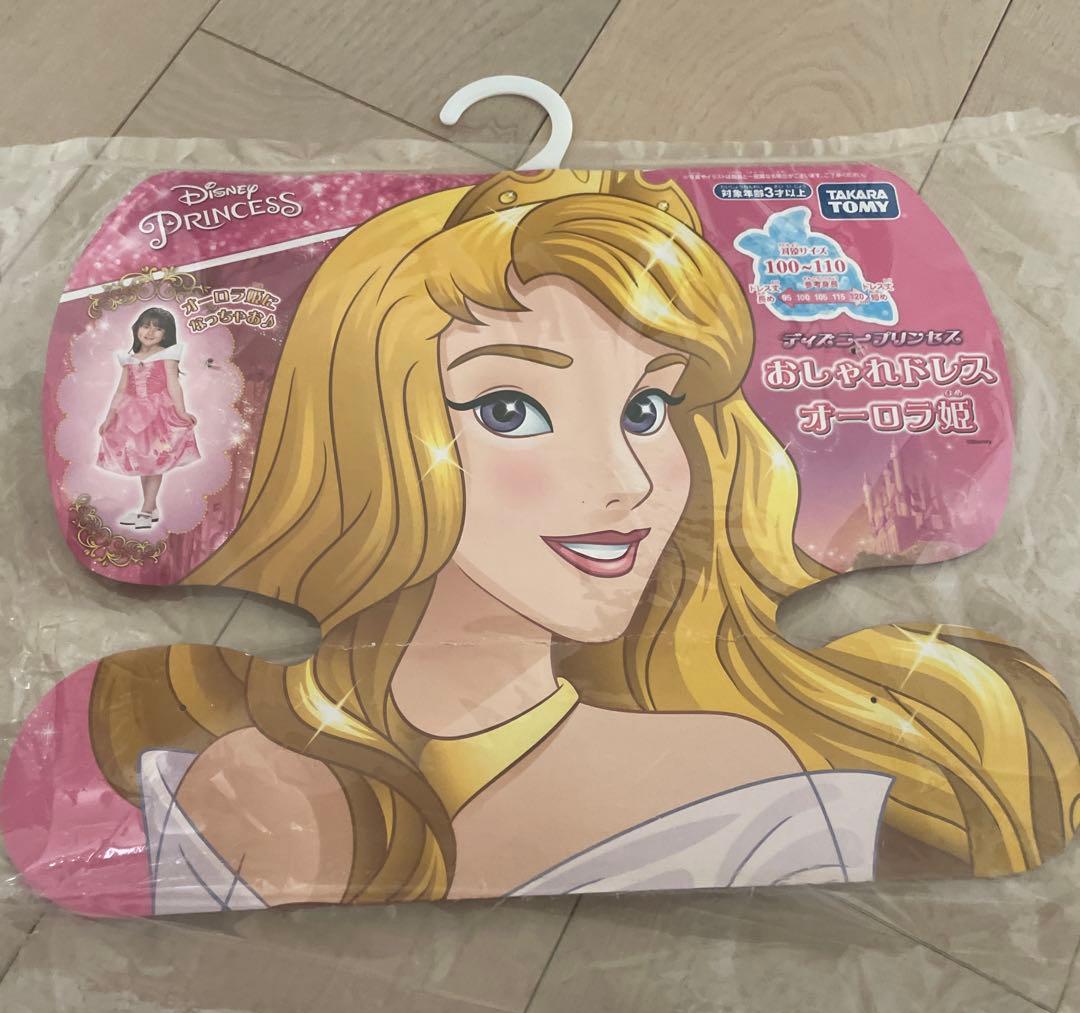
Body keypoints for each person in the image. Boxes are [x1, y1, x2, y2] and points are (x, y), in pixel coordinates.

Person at [80, 170, 1078, 913]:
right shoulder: (222, 777)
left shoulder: (736, 777)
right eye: (510, 408)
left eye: (649, 410)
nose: (629, 481)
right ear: (368, 432)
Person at [97, 306, 199, 529]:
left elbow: (173, 385)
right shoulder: (129, 358)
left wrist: (181, 411)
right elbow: (121, 390)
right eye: (145, 326)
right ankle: (150, 508)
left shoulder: (168, 355)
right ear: (137, 329)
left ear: (166, 333)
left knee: (155, 462)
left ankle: (146, 509)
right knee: (144, 463)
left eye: (157, 329)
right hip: (132, 417)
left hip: (158, 415)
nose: (150, 332)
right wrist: (109, 417)